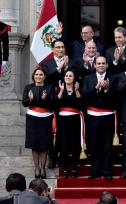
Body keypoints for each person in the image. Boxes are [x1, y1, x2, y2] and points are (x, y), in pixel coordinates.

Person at [41, 39, 76, 169]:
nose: (61, 49)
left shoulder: (71, 62)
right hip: (52, 98)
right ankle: (52, 157)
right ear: (52, 49)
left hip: (68, 99)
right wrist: (59, 67)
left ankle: (64, 157)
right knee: (51, 129)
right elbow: (47, 77)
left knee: (64, 129)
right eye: (58, 47)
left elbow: (75, 76)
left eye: (63, 47)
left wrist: (66, 68)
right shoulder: (46, 63)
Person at [82, 56, 118, 180]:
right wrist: (96, 88)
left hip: (107, 116)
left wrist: (107, 89)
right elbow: (84, 95)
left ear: (107, 65)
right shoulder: (88, 78)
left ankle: (107, 171)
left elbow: (116, 97)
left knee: (107, 145)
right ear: (95, 65)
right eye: (99, 63)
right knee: (93, 144)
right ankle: (95, 170)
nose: (101, 65)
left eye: (103, 63)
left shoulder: (113, 78)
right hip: (92, 116)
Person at [22, 67, 56, 179]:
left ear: (44, 76)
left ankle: (43, 168)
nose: (38, 77)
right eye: (36, 75)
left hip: (46, 118)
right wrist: (30, 99)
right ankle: (36, 168)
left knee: (44, 145)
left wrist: (45, 99)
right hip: (33, 118)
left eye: (41, 75)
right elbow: (24, 103)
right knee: (35, 144)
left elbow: (53, 105)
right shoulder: (28, 87)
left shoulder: (49, 87)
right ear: (33, 76)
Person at [55, 69, 83, 179]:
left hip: (75, 120)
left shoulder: (78, 89)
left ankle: (74, 168)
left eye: (70, 76)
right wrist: (61, 91)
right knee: (64, 145)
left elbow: (81, 105)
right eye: (66, 76)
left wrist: (77, 91)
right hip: (63, 121)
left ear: (74, 78)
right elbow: (56, 105)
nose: (68, 77)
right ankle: (66, 168)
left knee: (74, 145)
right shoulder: (59, 90)